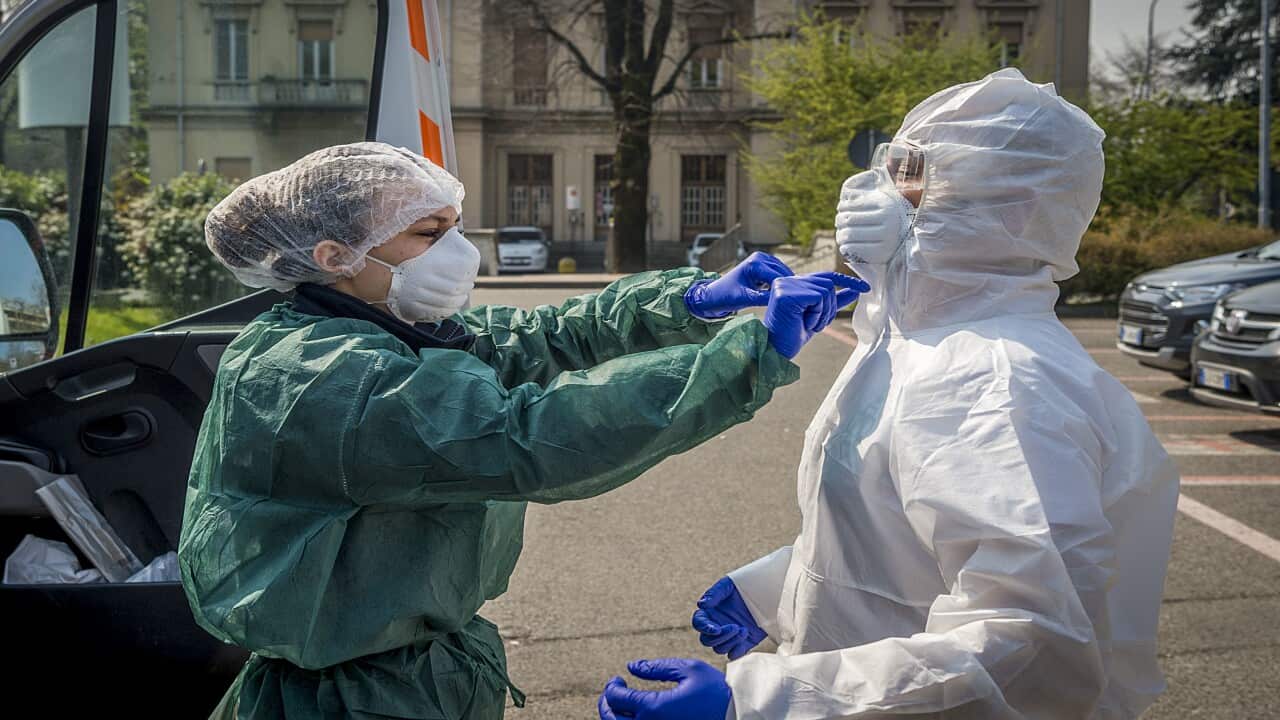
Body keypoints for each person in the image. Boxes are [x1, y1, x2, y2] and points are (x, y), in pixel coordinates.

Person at [178, 141, 868, 720]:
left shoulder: (381, 328)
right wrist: (748, 355)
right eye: (427, 234)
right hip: (358, 697)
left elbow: (535, 336)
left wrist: (690, 299)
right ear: (334, 256)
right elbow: (529, 436)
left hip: (407, 672)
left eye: (454, 226)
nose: (457, 252)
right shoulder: (324, 374)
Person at [599, 68, 1180, 720]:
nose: (873, 193)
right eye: (890, 167)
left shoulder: (994, 384)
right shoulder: (917, 344)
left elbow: (1031, 647)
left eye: (915, 174)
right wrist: (778, 588)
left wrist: (756, 700)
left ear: (1014, 208)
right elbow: (908, 552)